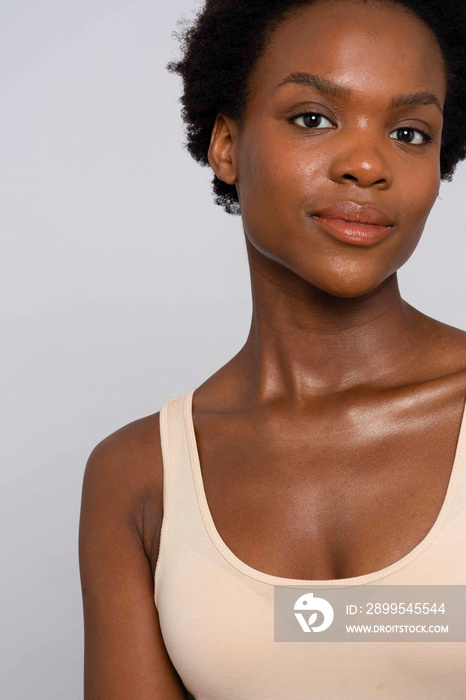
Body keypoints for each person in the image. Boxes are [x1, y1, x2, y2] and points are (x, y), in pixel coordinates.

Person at [78, 0, 466, 697]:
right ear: (227, 145)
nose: (368, 165)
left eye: (409, 132)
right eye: (314, 118)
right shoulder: (140, 476)